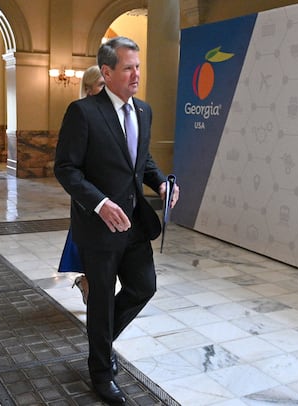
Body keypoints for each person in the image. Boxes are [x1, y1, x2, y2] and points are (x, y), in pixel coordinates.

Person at [54, 37, 179, 405]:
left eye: (138, 66)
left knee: (144, 286)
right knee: (103, 300)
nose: (136, 74)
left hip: (135, 224)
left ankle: (102, 346)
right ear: (106, 73)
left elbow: (141, 159)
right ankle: (100, 371)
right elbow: (66, 169)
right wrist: (100, 203)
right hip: (99, 228)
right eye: (128, 67)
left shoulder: (143, 111)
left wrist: (159, 182)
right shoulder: (83, 112)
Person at [58, 65, 105, 305]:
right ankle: (88, 282)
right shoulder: (80, 115)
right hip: (89, 194)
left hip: (113, 194)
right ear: (88, 89)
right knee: (88, 242)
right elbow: (67, 166)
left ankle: (91, 285)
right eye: (101, 85)